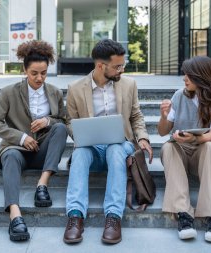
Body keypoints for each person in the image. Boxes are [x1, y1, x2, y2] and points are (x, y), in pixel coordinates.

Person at [63, 39, 153, 244]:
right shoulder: (75, 88)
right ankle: (75, 216)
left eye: (123, 65)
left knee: (115, 148)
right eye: (117, 66)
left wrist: (143, 138)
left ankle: (113, 217)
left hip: (121, 145)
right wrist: (79, 135)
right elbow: (70, 121)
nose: (121, 69)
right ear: (100, 65)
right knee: (79, 153)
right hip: (91, 148)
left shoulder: (129, 84)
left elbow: (136, 116)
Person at [0, 40, 68, 242]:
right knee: (11, 156)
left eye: (43, 73)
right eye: (34, 73)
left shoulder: (55, 93)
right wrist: (21, 137)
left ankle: (42, 185)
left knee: (60, 128)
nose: (39, 78)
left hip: (43, 153)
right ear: (25, 70)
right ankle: (15, 215)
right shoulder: (8, 92)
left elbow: (64, 119)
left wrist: (48, 120)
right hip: (17, 149)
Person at [157, 56, 211, 243]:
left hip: (204, 154)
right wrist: (164, 116)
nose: (185, 78)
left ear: (203, 77)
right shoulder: (179, 95)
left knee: (208, 146)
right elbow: (162, 132)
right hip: (181, 152)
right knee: (168, 146)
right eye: (185, 74)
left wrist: (196, 138)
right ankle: (184, 214)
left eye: (189, 75)